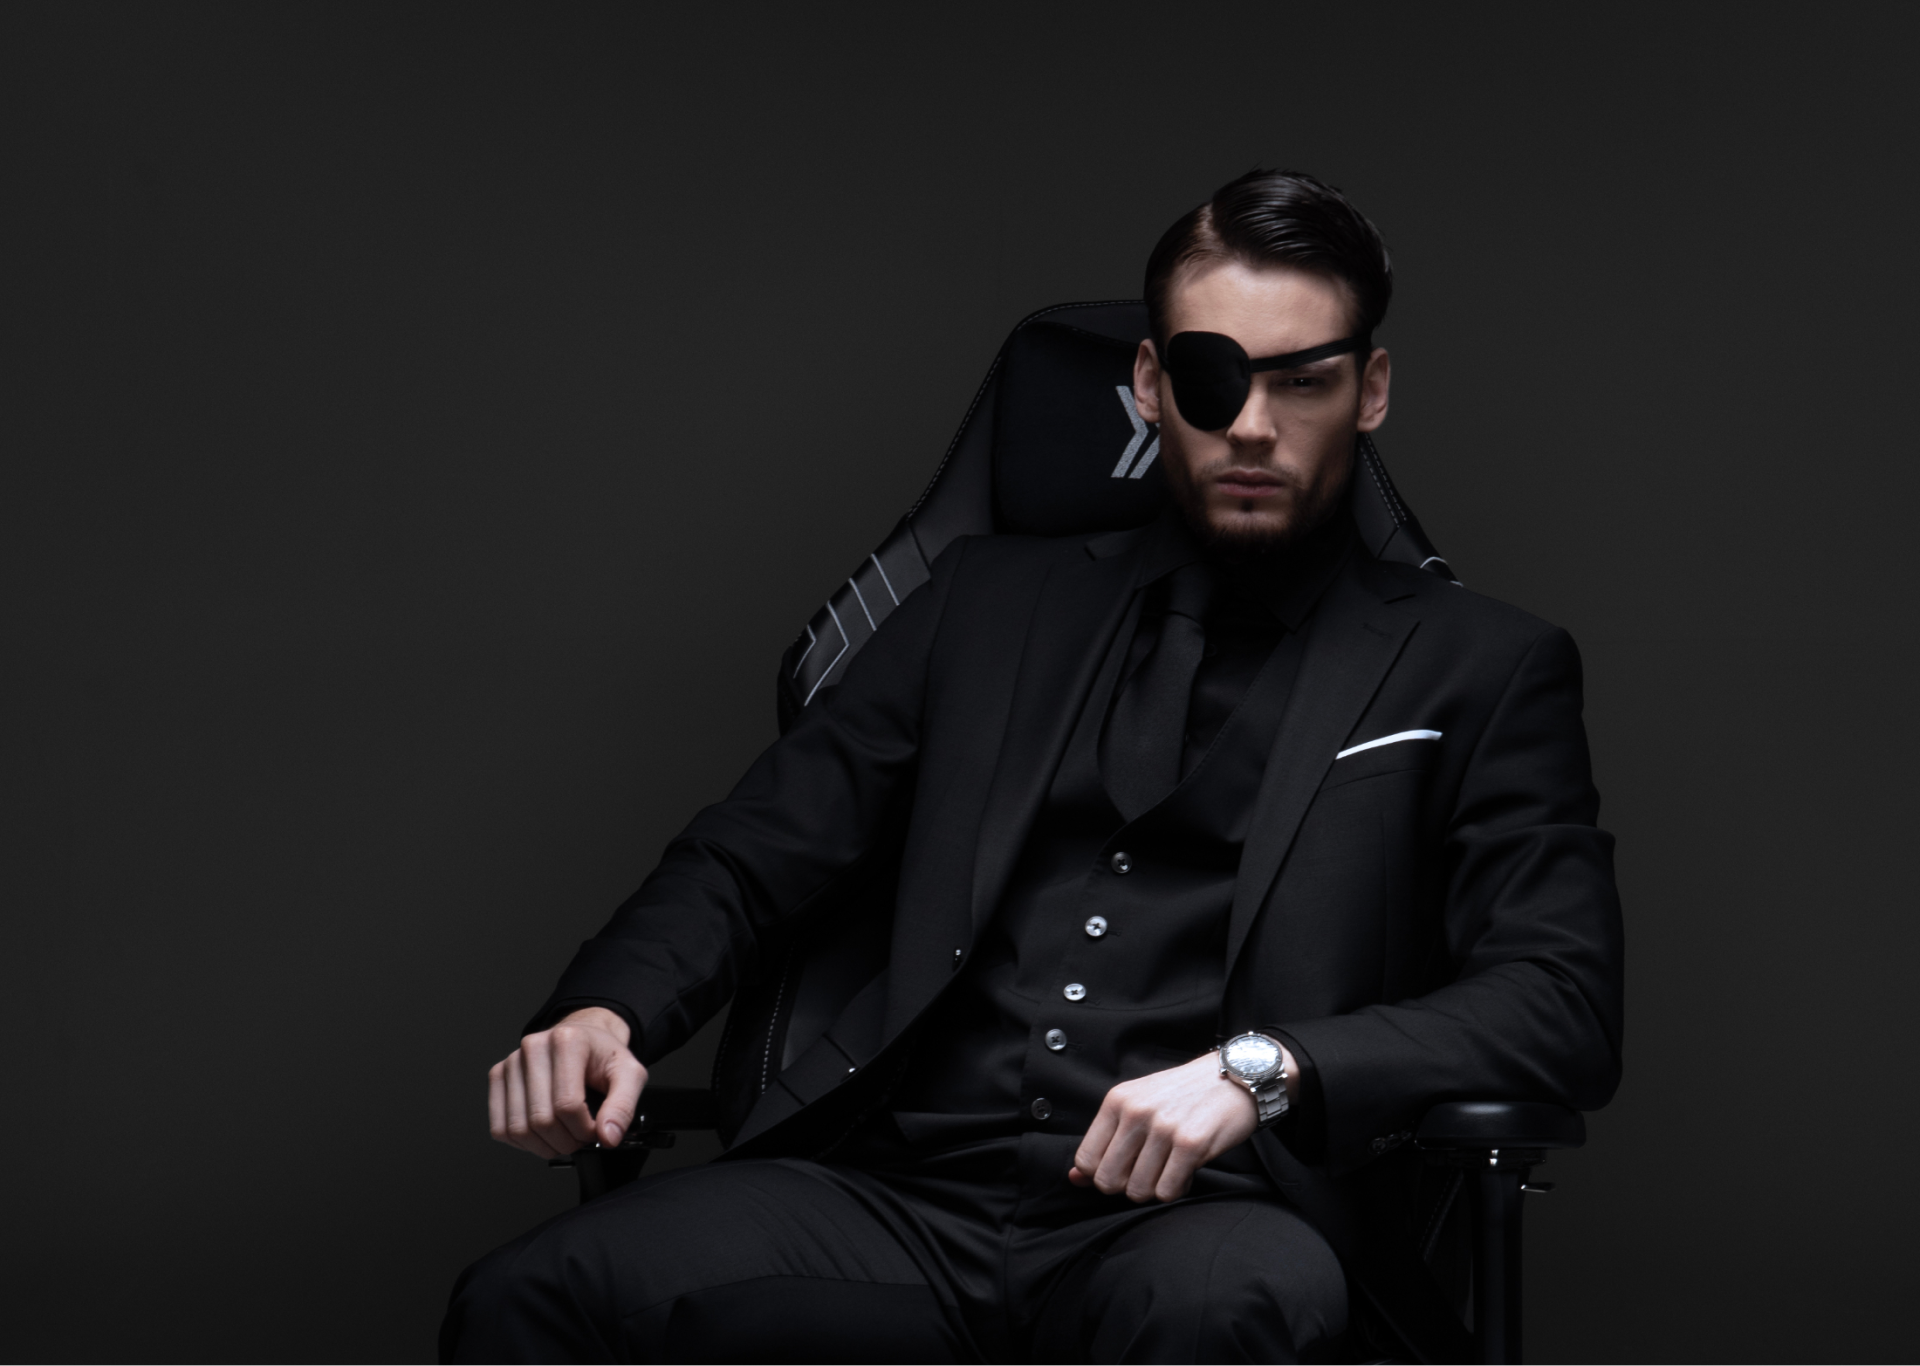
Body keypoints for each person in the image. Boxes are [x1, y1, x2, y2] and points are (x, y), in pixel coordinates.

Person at [440, 170, 1624, 1365]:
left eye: (1303, 380)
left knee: (1219, 1310)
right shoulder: (983, 606)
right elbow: (754, 855)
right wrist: (607, 1010)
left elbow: (1561, 998)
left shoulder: (1482, 665)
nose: (1253, 425)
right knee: (532, 1298)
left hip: (1214, 1216)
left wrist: (1264, 1071)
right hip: (903, 1194)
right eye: (1213, 377)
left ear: (1370, 391)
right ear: (1151, 385)